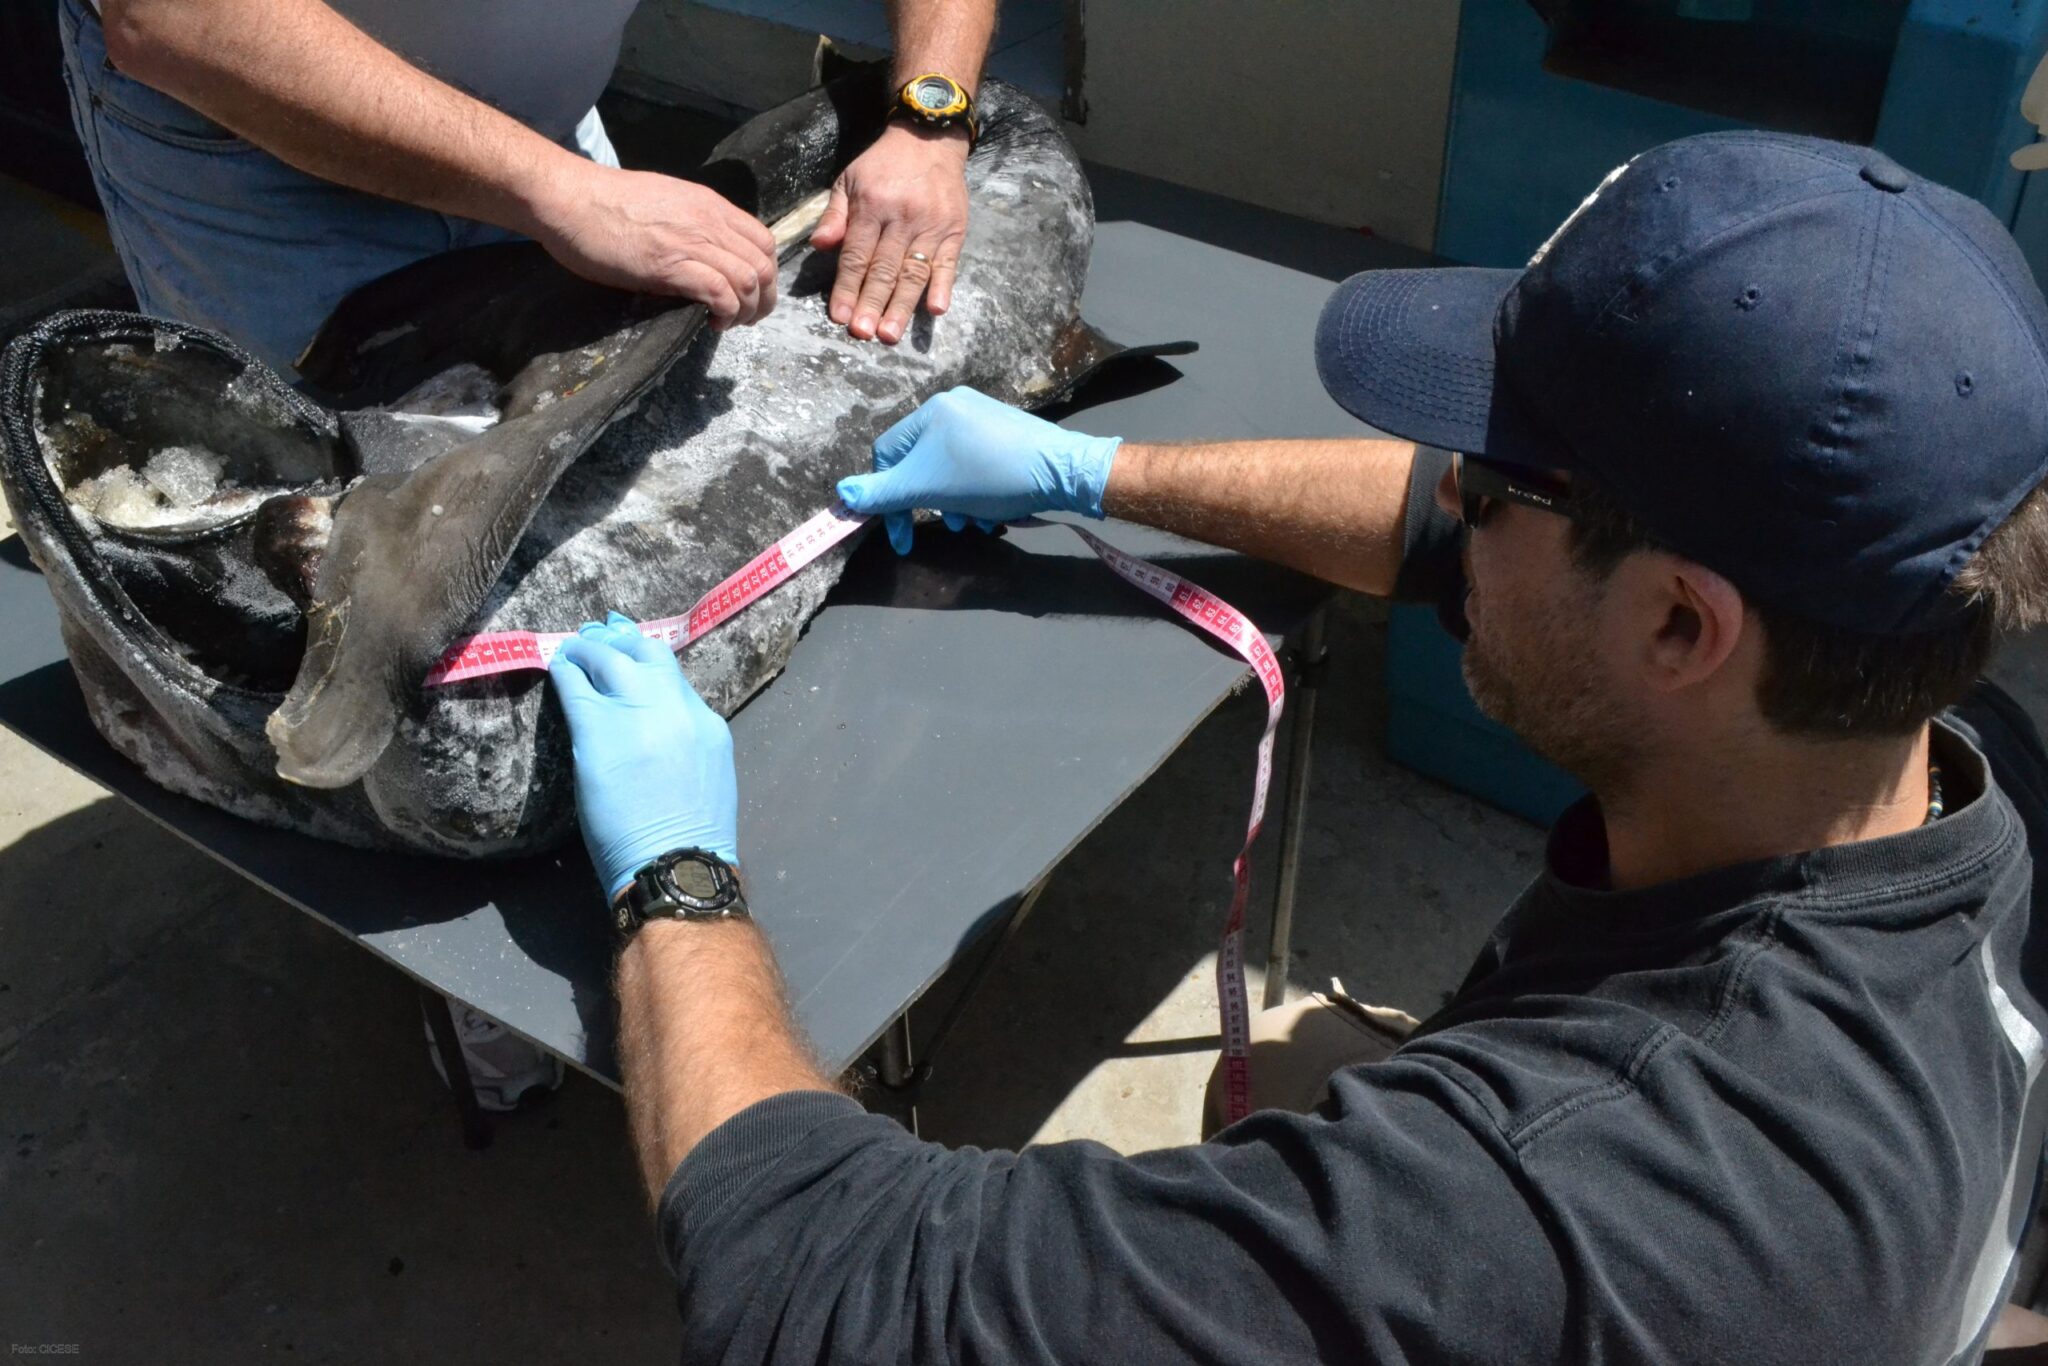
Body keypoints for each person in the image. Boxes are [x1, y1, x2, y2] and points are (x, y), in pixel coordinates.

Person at [553, 131, 2048, 1361]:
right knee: (1304, 1060)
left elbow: (825, 1292)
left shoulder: (1538, 1213)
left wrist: (677, 872)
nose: (1446, 498)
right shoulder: (1937, 759)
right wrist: (1091, 469)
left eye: (1491, 478)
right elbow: (1438, 537)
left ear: (1678, 628)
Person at [59, 0, 995, 374]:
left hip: (546, 137)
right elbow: (173, 15)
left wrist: (929, 116)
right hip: (259, 167)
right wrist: (565, 194)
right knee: (332, 541)